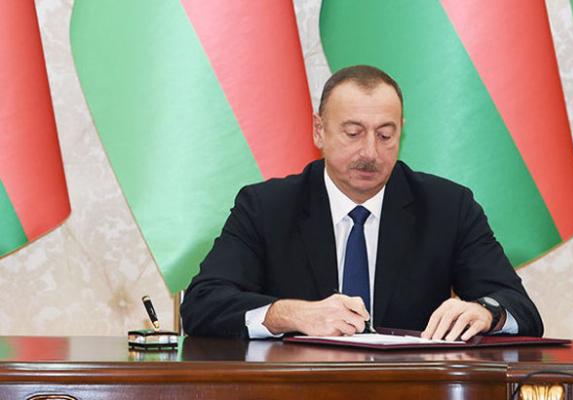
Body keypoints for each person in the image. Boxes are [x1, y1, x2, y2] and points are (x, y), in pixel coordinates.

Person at [181, 65, 543, 341]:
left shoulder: (448, 207)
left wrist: (486, 313)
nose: (370, 152)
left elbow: (520, 308)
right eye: (353, 133)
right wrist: (286, 314)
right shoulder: (266, 207)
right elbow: (202, 304)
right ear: (319, 131)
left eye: (385, 135)